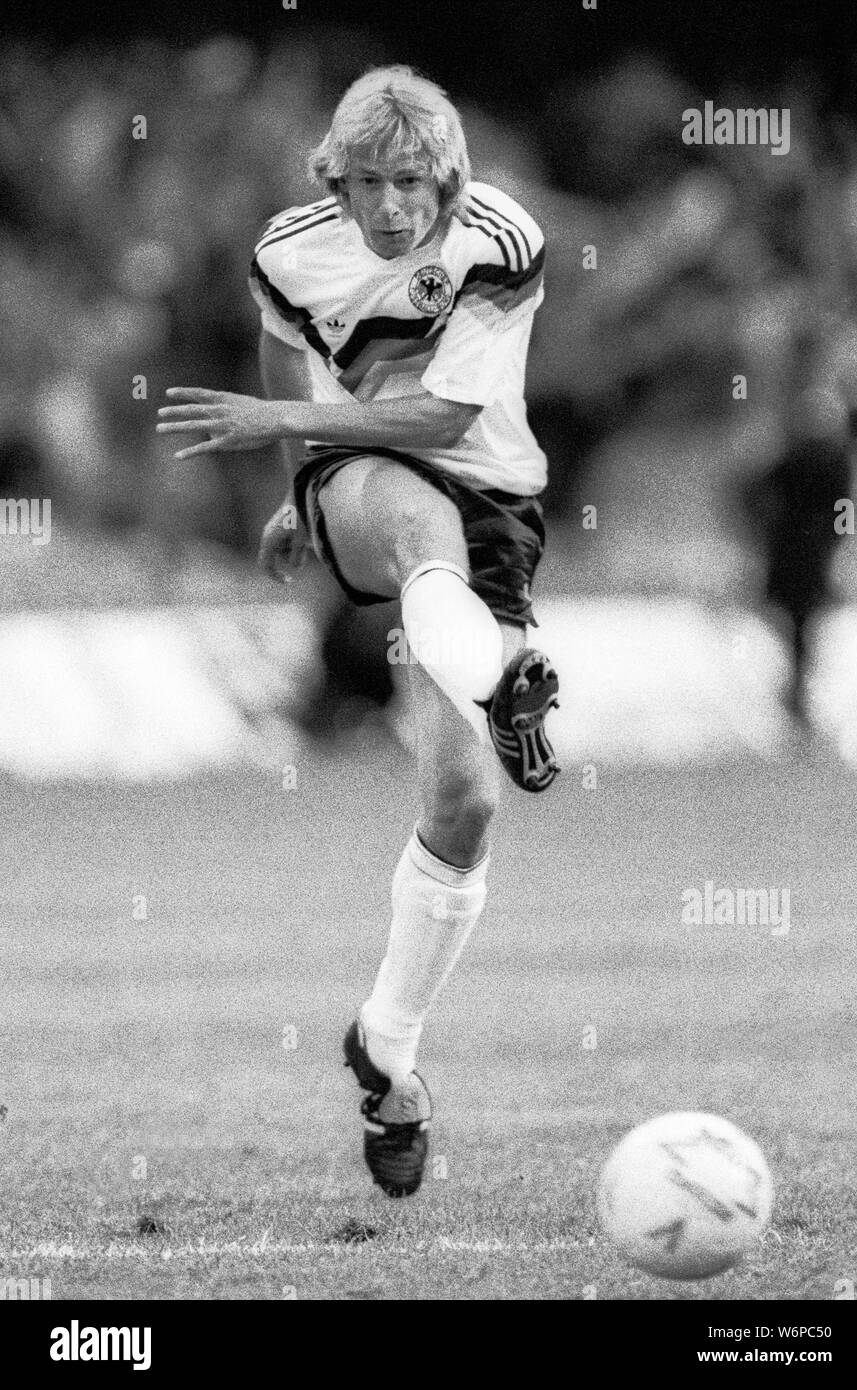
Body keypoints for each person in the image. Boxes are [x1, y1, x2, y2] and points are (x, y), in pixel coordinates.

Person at [157, 65, 560, 1197]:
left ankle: (385, 1053)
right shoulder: (289, 249)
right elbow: (288, 348)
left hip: (495, 505)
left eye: (415, 184)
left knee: (466, 805)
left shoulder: (498, 239)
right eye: (371, 183)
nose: (392, 208)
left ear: (451, 179)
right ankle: (508, 673)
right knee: (417, 527)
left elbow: (443, 414)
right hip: (362, 480)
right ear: (338, 177)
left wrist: (279, 419)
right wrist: (299, 486)